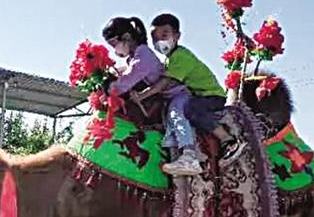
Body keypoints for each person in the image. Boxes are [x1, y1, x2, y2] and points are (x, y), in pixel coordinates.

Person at [102, 16, 202, 175]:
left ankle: (189, 155)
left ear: (126, 37)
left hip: (178, 95)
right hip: (163, 99)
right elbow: (126, 73)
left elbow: (127, 80)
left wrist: (108, 87)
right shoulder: (133, 58)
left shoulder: (144, 55)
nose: (115, 50)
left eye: (114, 44)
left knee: (176, 114)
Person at [151, 13, 246, 168]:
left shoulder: (181, 56)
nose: (159, 41)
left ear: (177, 35)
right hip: (200, 95)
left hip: (211, 95)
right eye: (155, 38)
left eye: (164, 35)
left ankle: (228, 140)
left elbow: (165, 83)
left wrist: (143, 94)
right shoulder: (170, 59)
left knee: (191, 110)